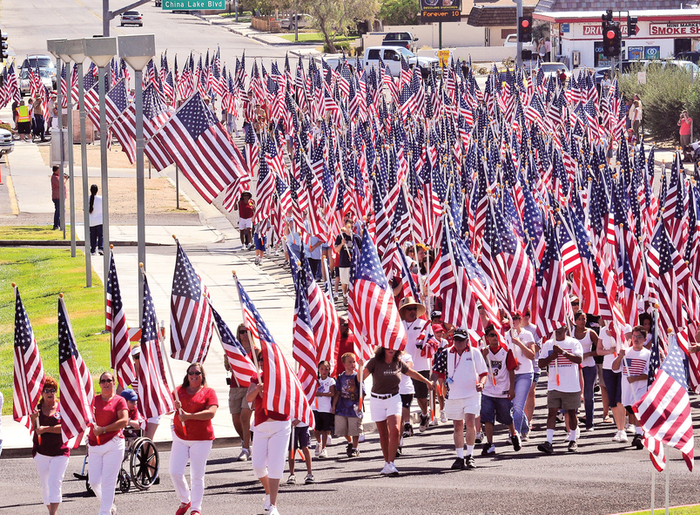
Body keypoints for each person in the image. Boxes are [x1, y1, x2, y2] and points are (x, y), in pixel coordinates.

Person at [362, 346, 434, 476]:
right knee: (383, 434)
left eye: (394, 348)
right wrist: (360, 369)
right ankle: (386, 462)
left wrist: (426, 381)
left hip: (394, 398)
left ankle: (391, 463)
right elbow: (360, 379)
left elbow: (411, 372)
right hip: (377, 400)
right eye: (388, 347)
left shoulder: (398, 362)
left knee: (395, 429)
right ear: (383, 348)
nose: (391, 350)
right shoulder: (375, 361)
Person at [433, 328, 488, 470]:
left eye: (461, 340)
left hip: (472, 394)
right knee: (457, 425)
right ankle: (459, 457)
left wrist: (481, 383)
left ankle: (470, 455)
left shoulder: (474, 352)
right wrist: (431, 383)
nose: (458, 343)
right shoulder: (446, 353)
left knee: (470, 422)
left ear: (467, 341)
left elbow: (484, 373)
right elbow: (436, 371)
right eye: (456, 339)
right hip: (453, 395)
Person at [247, 350, 292, 515]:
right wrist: (257, 390)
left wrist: (267, 394)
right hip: (260, 425)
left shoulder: (281, 377)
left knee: (275, 465)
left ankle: (273, 505)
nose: (261, 362)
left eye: (264, 359)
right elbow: (248, 398)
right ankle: (268, 492)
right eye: (259, 359)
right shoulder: (255, 377)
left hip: (280, 424)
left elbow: (287, 398)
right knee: (258, 466)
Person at [171, 363, 218, 515]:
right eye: (191, 372)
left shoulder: (209, 392)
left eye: (197, 372)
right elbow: (166, 409)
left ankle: (196, 509)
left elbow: (211, 413)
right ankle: (185, 499)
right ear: (187, 374)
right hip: (180, 436)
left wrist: (189, 416)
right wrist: (173, 405)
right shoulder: (178, 391)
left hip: (202, 438)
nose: (194, 375)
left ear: (202, 375)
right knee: (174, 471)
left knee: (197, 475)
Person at [537, 324, 583, 454]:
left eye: (561, 326)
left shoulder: (574, 343)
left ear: (566, 329)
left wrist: (563, 352)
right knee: (552, 412)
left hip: (571, 385)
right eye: (555, 327)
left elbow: (579, 359)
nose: (557, 329)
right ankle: (549, 442)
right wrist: (551, 357)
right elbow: (540, 364)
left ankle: (573, 439)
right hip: (554, 385)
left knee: (571, 412)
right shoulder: (548, 344)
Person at [88, 371, 128, 515]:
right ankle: (109, 505)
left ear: (113, 383)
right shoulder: (93, 400)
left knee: (108, 481)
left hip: (114, 444)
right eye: (103, 381)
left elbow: (124, 420)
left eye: (109, 380)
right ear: (99, 384)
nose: (106, 383)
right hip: (94, 445)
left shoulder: (119, 400)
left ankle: (104, 511)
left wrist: (104, 429)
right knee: (93, 482)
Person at [30, 377, 70, 515]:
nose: (50, 393)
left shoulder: (61, 408)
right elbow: (34, 428)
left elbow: (65, 427)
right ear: (41, 393)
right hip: (41, 453)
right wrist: (34, 419)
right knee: (46, 486)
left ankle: (52, 513)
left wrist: (46, 428)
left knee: (55, 482)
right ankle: (52, 512)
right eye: (46, 390)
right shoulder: (37, 409)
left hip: (60, 452)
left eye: (52, 390)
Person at [480, 325, 521, 455]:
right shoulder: (483, 352)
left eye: (496, 335)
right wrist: (482, 356)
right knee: (487, 418)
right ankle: (490, 443)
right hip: (488, 390)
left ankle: (514, 434)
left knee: (506, 417)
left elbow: (511, 370)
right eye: (491, 335)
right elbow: (478, 369)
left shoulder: (506, 351)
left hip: (502, 390)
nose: (494, 338)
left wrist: (512, 388)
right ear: (486, 338)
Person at [613, 325, 650, 450]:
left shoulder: (647, 354)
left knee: (638, 410)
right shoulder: (626, 352)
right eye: (634, 336)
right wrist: (619, 357)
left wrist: (635, 378)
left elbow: (650, 374)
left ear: (645, 339)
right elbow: (614, 368)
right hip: (627, 389)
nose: (636, 339)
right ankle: (638, 434)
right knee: (631, 410)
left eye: (639, 337)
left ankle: (639, 435)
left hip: (641, 388)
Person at [400, 296, 432, 432]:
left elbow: (431, 341)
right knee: (405, 396)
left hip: (420, 364)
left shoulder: (424, 324)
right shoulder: (399, 325)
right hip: (403, 366)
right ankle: (407, 424)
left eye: (414, 309)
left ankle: (424, 414)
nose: (412, 311)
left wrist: (428, 344)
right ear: (404, 311)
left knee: (421, 396)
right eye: (409, 309)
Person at [224, 324, 255, 461]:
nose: (244, 334)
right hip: (235, 386)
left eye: (247, 332)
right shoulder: (234, 350)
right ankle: (245, 440)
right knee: (236, 419)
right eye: (241, 332)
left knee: (244, 417)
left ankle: (246, 449)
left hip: (250, 387)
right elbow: (228, 368)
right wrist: (227, 359)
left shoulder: (256, 351)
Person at [505, 313, 536, 441]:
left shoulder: (527, 334)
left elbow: (532, 355)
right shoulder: (505, 335)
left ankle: (514, 434)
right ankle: (524, 427)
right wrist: (511, 363)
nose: (514, 321)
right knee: (513, 405)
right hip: (511, 374)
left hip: (525, 373)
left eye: (517, 318)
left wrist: (519, 343)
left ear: (520, 319)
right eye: (512, 319)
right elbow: (504, 355)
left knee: (518, 405)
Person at [597, 323, 628, 442]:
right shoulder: (603, 330)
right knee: (612, 400)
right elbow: (598, 350)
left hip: (621, 367)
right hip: (607, 367)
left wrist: (615, 336)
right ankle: (619, 429)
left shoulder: (624, 328)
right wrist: (609, 351)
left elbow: (628, 345)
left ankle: (624, 429)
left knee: (620, 398)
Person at [332, 352, 363, 458]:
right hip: (342, 407)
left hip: (354, 406)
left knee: (355, 428)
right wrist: (334, 405)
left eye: (354, 362)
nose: (353, 364)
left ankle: (355, 448)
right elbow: (337, 392)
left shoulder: (357, 376)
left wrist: (360, 404)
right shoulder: (341, 377)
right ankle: (350, 442)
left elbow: (362, 392)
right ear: (344, 364)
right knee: (341, 429)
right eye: (350, 362)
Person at [573, 311, 599, 432]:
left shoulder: (590, 333)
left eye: (584, 319)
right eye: (580, 319)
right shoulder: (570, 333)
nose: (582, 321)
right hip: (574, 368)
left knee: (588, 395)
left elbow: (600, 349)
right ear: (575, 321)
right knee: (573, 394)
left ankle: (590, 422)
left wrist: (588, 354)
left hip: (589, 367)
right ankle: (572, 423)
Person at [334, 218, 361, 304]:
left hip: (354, 264)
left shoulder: (356, 237)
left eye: (352, 226)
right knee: (345, 282)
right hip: (344, 263)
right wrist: (342, 244)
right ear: (345, 226)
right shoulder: (340, 237)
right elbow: (336, 250)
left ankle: (353, 298)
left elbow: (360, 251)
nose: (350, 228)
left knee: (354, 282)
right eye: (349, 225)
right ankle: (345, 295)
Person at [312, 361, 335, 458]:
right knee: (316, 428)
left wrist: (320, 394)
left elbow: (332, 393)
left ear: (329, 370)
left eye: (326, 369)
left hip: (325, 408)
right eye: (322, 369)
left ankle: (324, 448)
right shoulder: (316, 381)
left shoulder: (330, 381)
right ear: (318, 370)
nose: (324, 371)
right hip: (315, 407)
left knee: (325, 430)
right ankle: (319, 442)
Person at [286, 417, 313, 485]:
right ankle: (292, 474)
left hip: (303, 425)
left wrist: (299, 420)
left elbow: (306, 410)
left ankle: (309, 474)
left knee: (305, 448)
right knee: (292, 450)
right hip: (291, 425)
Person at [51, 166, 67, 231]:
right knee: (58, 211)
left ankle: (60, 224)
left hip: (60, 196)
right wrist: (66, 179)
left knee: (61, 211)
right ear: (56, 170)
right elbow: (62, 184)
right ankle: (56, 225)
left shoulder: (58, 176)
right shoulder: (55, 177)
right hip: (58, 197)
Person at [89, 184, 104, 256]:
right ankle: (100, 248)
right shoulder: (101, 198)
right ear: (97, 191)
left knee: (93, 236)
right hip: (99, 220)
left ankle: (93, 250)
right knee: (100, 235)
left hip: (91, 221)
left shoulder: (88, 198)